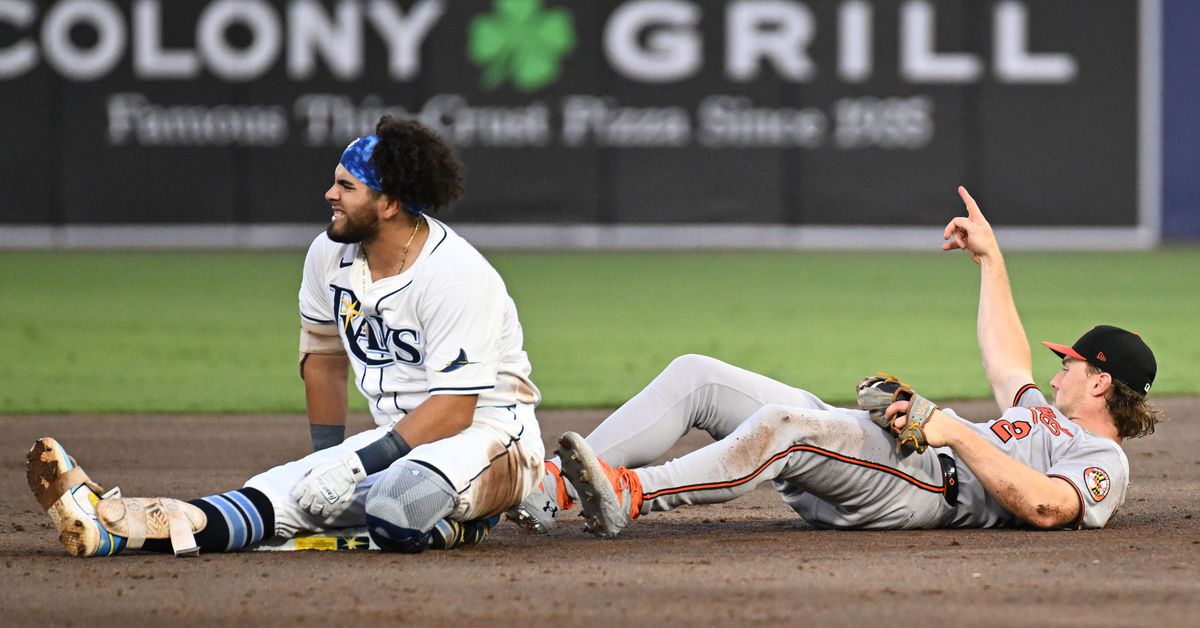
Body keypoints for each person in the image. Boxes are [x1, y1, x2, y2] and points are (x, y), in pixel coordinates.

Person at [506, 187, 1158, 538]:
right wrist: (991, 259)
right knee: (697, 374)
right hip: (900, 458)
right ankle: (553, 488)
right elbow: (1006, 356)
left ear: (1101, 382)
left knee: (785, 427)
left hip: (924, 487)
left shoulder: (1102, 462)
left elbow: (1046, 507)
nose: (1057, 371)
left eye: (1071, 364)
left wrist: (952, 431)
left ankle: (632, 494)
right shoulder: (1043, 414)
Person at [26, 116, 545, 557]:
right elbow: (324, 358)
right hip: (397, 438)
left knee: (396, 506)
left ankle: (491, 513)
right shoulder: (329, 255)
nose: (330, 194)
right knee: (277, 494)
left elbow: (455, 409)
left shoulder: (455, 276)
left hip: (490, 438)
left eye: (346, 186)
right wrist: (327, 461)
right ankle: (116, 529)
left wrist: (354, 465)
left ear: (388, 204)